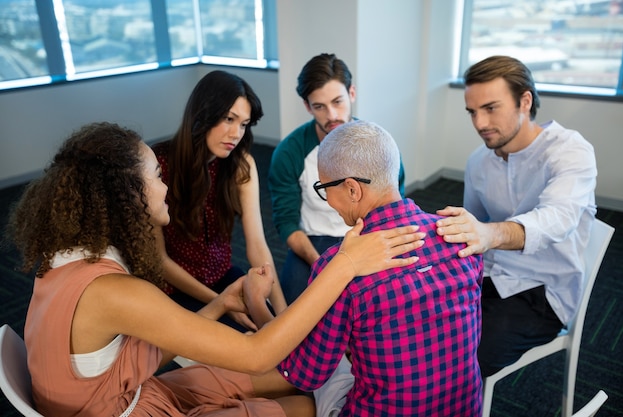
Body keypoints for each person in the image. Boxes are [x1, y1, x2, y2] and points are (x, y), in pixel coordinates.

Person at [6, 122, 425, 416]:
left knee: (294, 382)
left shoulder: (64, 259)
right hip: (128, 407)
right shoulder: (112, 291)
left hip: (116, 393)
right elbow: (257, 352)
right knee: (301, 401)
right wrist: (347, 262)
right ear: (125, 194)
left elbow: (136, 349)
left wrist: (224, 302)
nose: (165, 185)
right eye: (155, 175)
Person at [255, 120, 483, 416]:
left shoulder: (341, 267)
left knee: (325, 379)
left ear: (352, 189)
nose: (329, 202)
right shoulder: (460, 236)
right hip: (465, 408)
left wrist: (257, 302)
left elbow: (304, 373)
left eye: (325, 188)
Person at [435, 55, 598, 377]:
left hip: (544, 292)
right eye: (472, 112)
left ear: (524, 101)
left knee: (462, 363)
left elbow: (558, 217)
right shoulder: (478, 162)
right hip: (486, 276)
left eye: (491, 108)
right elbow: (473, 227)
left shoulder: (569, 150)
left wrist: (490, 234)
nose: (480, 123)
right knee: (411, 328)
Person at [152, 70, 286, 330]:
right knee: (231, 351)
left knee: (270, 332)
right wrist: (221, 303)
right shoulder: (159, 165)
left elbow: (257, 245)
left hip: (222, 276)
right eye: (228, 119)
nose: (236, 133)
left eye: (244, 124)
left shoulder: (241, 165)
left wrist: (283, 314)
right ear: (202, 115)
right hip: (173, 288)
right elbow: (159, 260)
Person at [268, 53, 406, 304]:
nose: (332, 115)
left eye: (338, 102)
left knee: (391, 307)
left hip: (369, 234)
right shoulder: (289, 153)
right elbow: (286, 223)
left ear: (352, 93)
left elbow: (395, 206)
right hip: (313, 243)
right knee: (294, 312)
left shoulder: (380, 145)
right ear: (308, 107)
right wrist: (322, 265)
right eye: (319, 106)